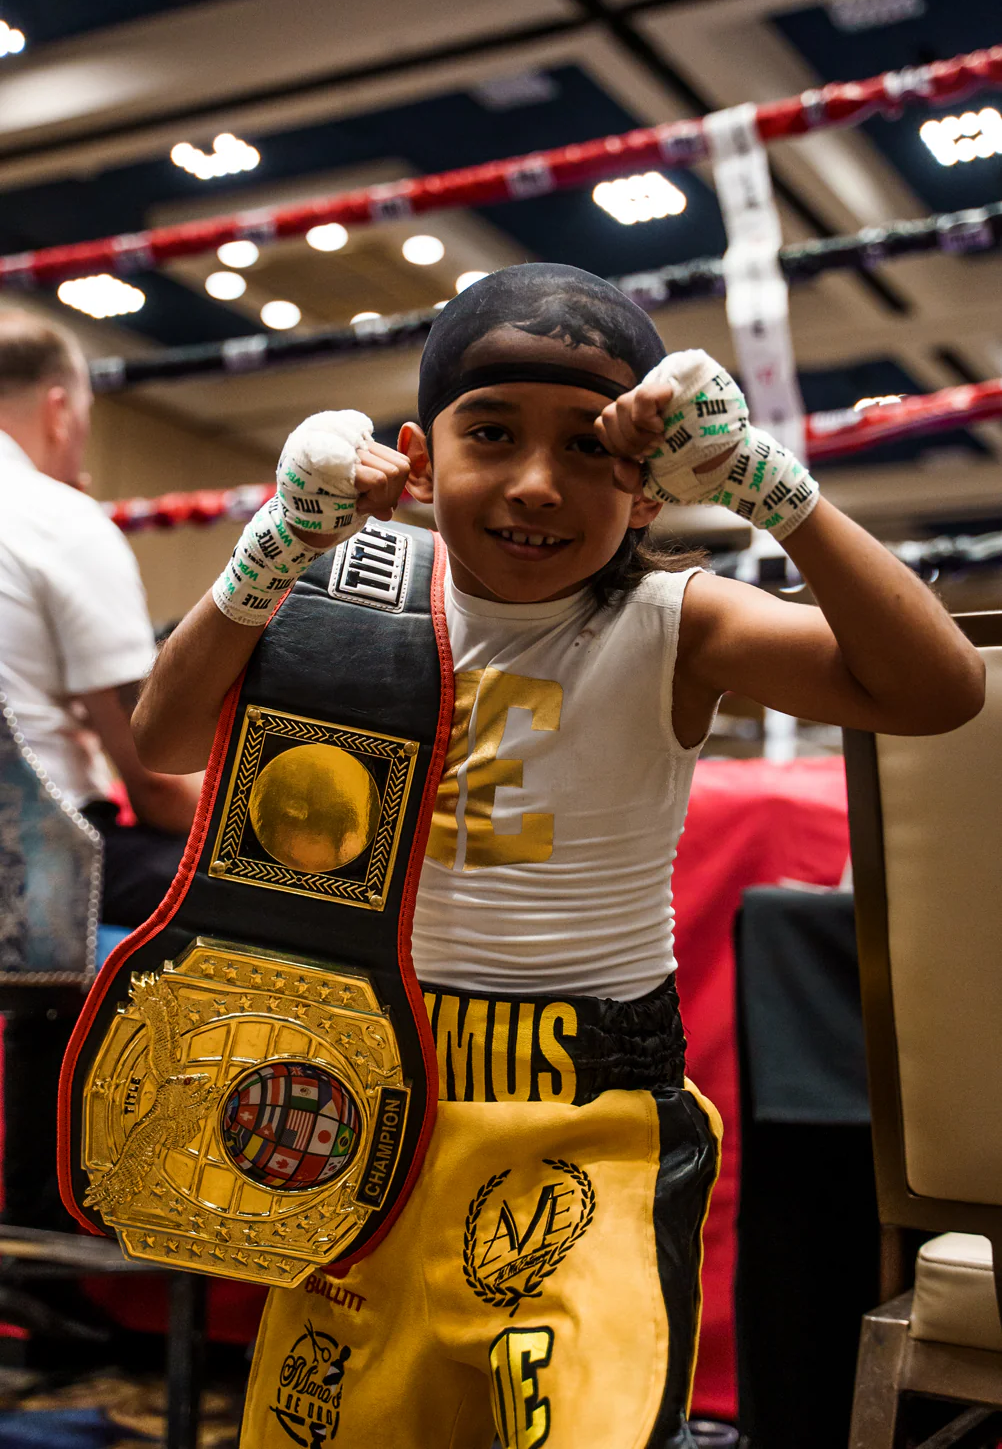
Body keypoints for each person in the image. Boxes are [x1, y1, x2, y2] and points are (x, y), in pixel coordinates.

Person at [134, 264, 984, 1449]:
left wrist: (766, 484)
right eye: (492, 433)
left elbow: (941, 691)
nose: (537, 483)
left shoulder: (676, 619)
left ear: (644, 488)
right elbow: (165, 739)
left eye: (589, 446)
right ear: (418, 459)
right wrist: (276, 544)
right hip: (373, 1105)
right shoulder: (352, 597)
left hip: (589, 1119)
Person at [0, 309, 200, 931]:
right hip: (30, 863)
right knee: (260, 893)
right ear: (59, 411)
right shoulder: (57, 518)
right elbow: (157, 783)